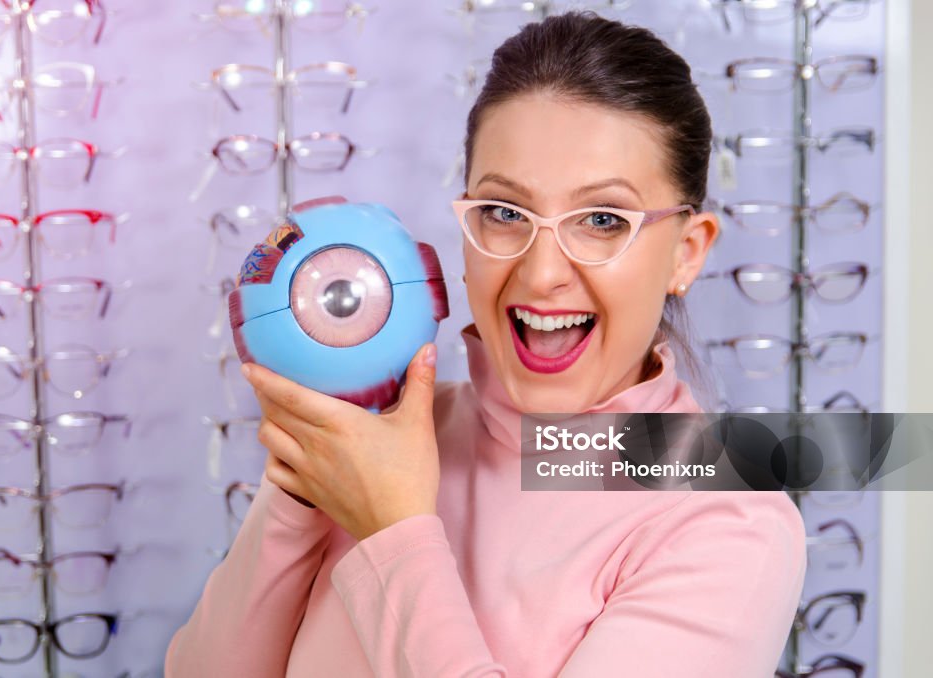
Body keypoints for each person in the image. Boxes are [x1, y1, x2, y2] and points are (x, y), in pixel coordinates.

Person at [166, 11, 806, 677]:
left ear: (687, 252)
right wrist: (304, 495)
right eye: (505, 214)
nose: (541, 273)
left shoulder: (732, 519)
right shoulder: (382, 435)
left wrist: (391, 530)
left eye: (602, 220)